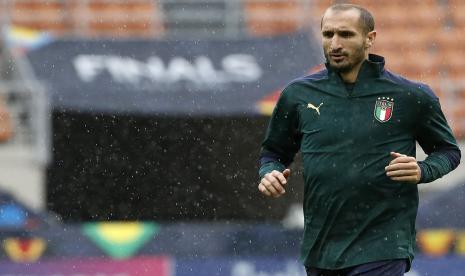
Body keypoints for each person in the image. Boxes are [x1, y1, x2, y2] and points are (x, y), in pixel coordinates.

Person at [257, 3, 461, 276]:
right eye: (328, 34)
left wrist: (423, 170)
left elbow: (448, 151)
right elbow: (274, 152)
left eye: (346, 34)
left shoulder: (410, 96)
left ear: (370, 38)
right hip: (322, 247)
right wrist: (269, 172)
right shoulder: (298, 95)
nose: (335, 43)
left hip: (383, 244)